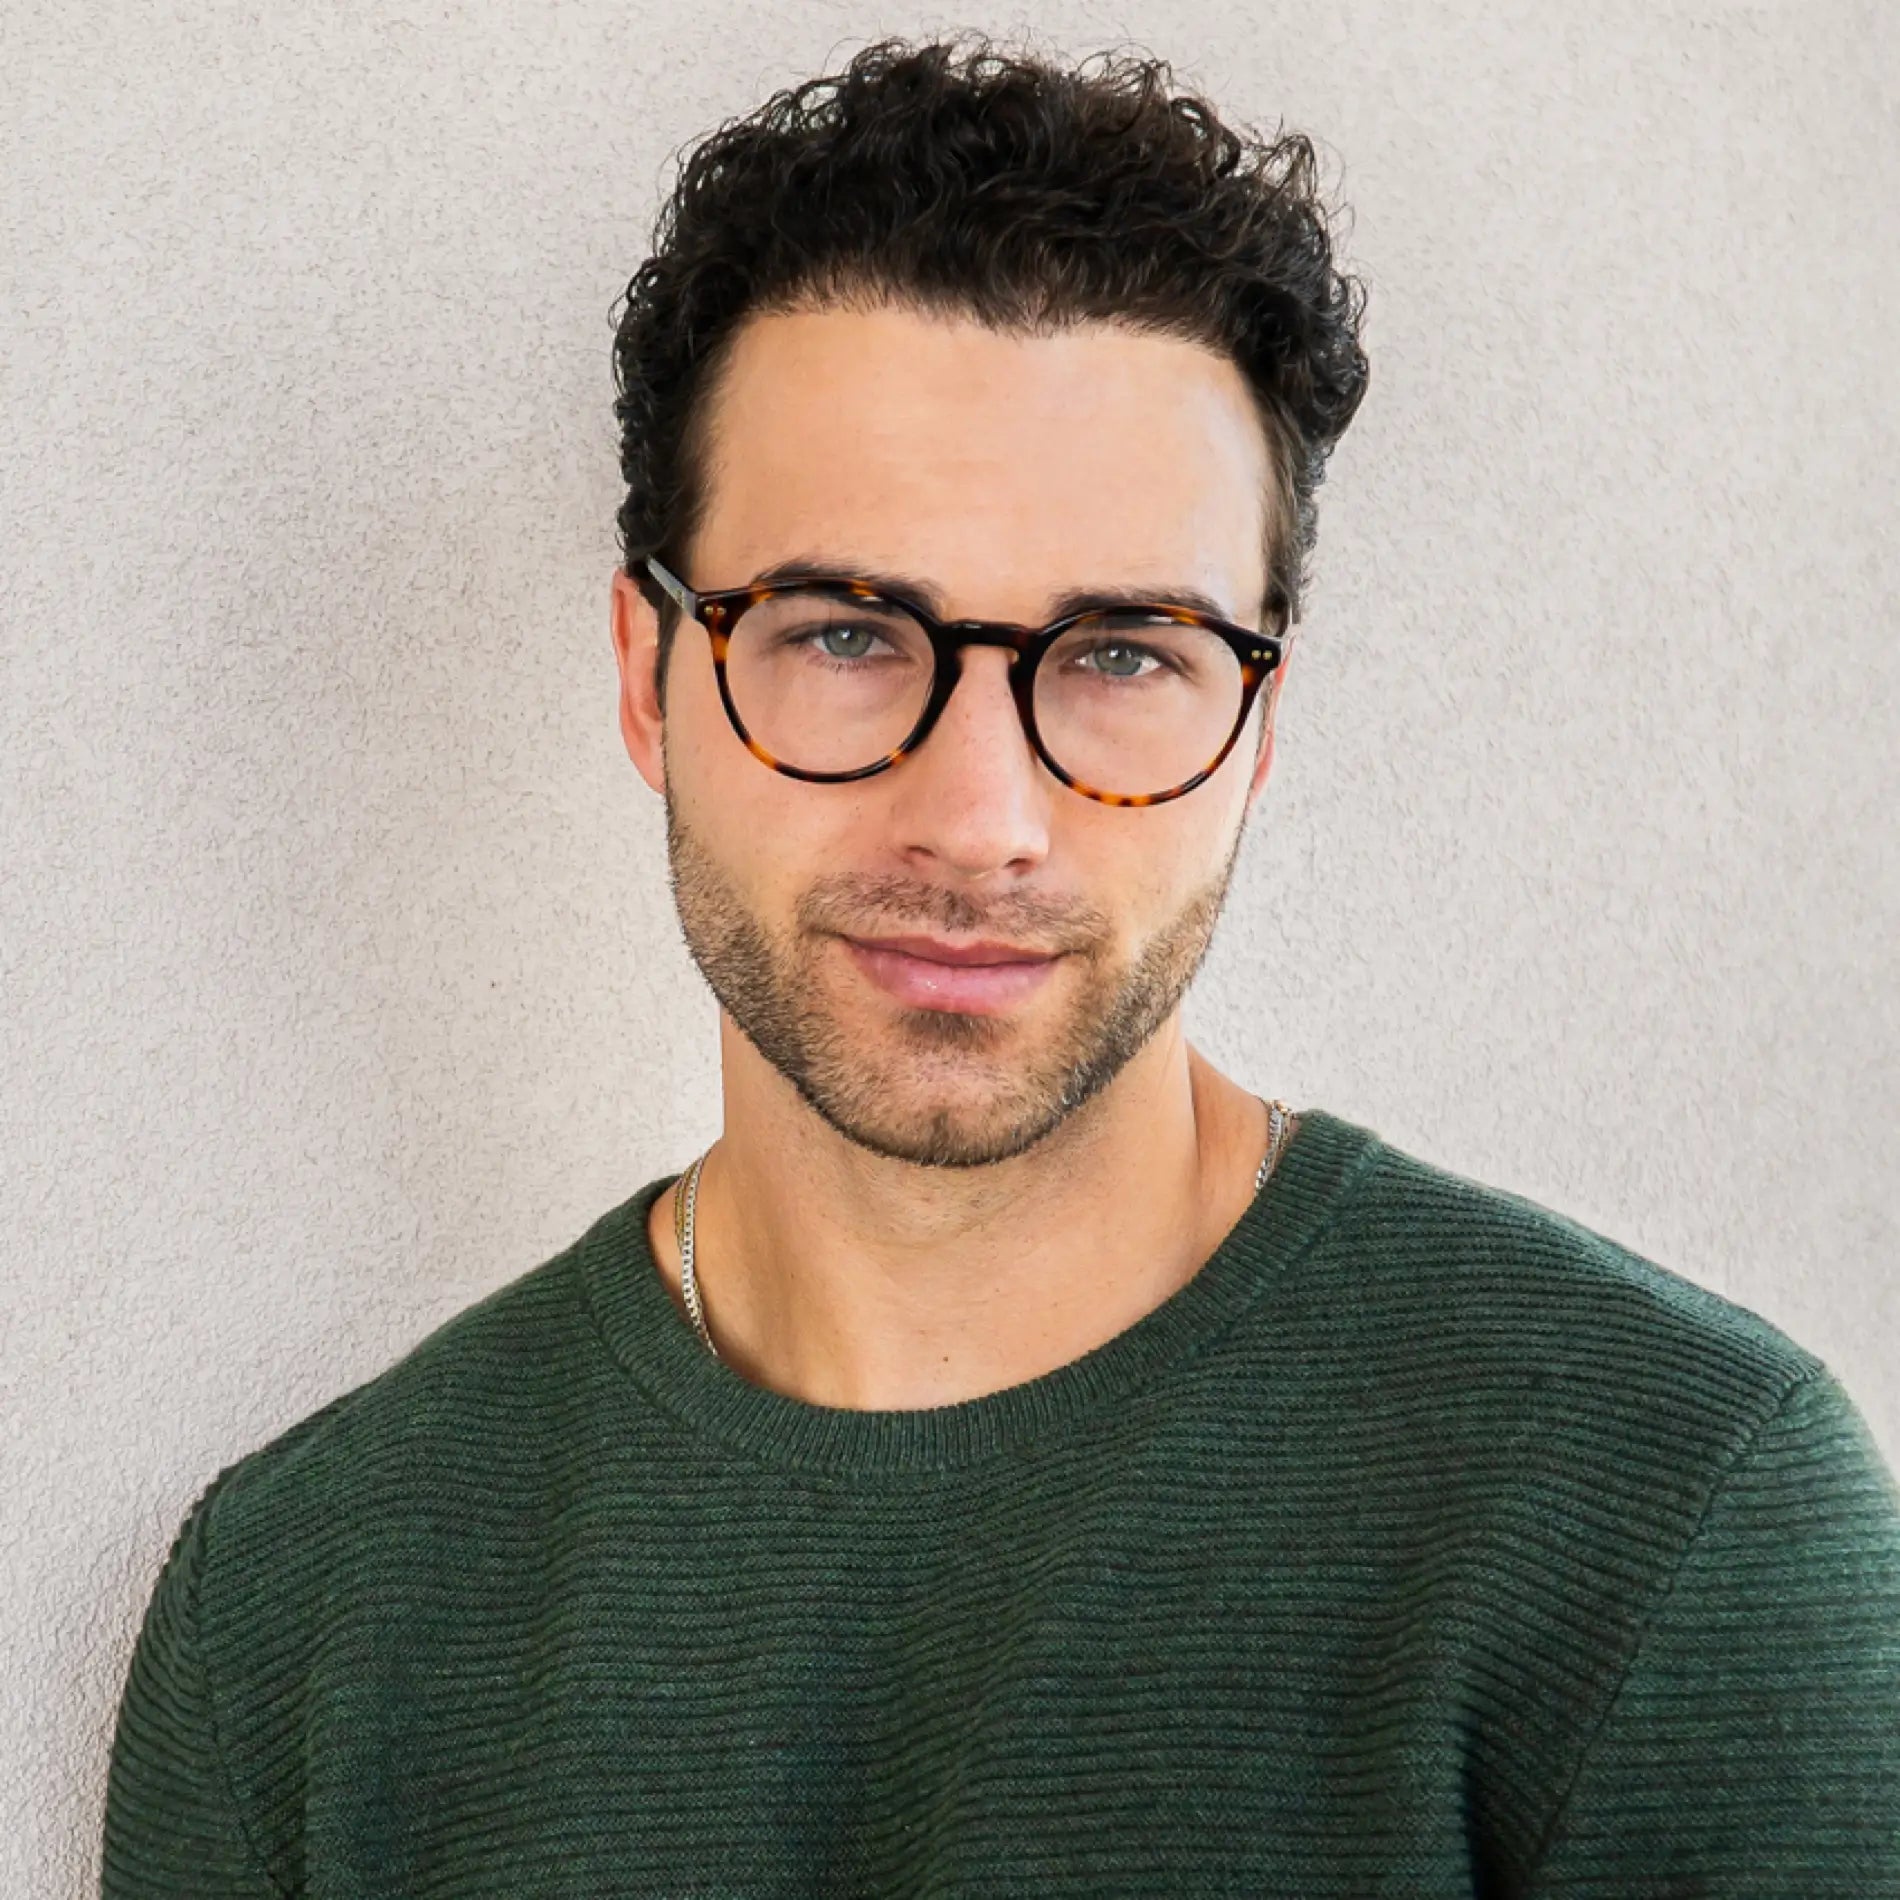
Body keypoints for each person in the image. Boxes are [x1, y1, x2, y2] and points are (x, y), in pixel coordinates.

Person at [102, 33, 1900, 1897]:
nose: (979, 822)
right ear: (649, 678)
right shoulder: (298, 1625)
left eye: (1124, 655)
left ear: (1257, 731)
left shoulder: (1673, 1524)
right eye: (842, 633)